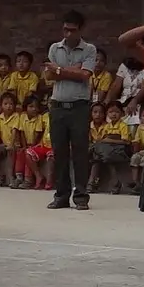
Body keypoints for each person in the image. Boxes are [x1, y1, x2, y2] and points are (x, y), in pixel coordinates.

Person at [44, 12, 99, 211]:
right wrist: (72, 70)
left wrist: (59, 69)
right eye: (65, 29)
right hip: (58, 106)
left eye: (72, 30)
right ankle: (61, 195)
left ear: (81, 30)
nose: (68, 34)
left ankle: (81, 196)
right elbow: (49, 76)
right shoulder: (54, 48)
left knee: (80, 152)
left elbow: (85, 75)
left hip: (79, 107)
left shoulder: (89, 49)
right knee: (59, 152)